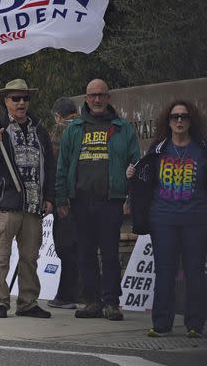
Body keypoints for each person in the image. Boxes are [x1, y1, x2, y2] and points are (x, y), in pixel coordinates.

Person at [56, 78, 140, 321]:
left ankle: (111, 303)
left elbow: (135, 164)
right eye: (92, 95)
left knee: (111, 254)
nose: (97, 99)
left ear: (109, 97)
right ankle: (91, 301)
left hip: (111, 201)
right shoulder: (74, 128)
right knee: (85, 253)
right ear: (86, 98)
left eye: (101, 95)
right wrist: (61, 198)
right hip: (80, 202)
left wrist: (131, 197)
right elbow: (62, 165)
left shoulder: (123, 128)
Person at [127, 100, 207, 338]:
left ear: (191, 121)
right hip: (163, 219)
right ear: (168, 121)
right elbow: (143, 179)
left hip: (196, 218)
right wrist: (133, 175)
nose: (179, 121)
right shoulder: (158, 150)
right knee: (164, 271)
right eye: (175, 117)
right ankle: (162, 323)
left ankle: (195, 324)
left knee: (195, 271)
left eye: (184, 117)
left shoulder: (202, 150)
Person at [0, 79, 55, 319]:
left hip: (33, 205)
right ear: (6, 102)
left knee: (30, 257)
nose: (22, 103)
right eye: (16, 98)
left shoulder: (39, 129)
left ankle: (28, 302)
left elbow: (50, 167)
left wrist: (49, 197)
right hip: (5, 205)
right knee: (0, 256)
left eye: (25, 98)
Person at [47, 97, 80, 309]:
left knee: (65, 248)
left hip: (66, 200)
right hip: (87, 197)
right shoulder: (86, 128)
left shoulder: (62, 132)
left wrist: (57, 199)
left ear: (58, 117)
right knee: (81, 248)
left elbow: (56, 167)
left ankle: (67, 295)